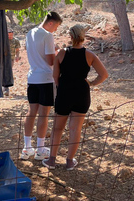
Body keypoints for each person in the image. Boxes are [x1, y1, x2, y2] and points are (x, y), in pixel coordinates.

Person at [42, 24, 108, 170]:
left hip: (65, 93)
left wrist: (61, 87)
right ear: (83, 37)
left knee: (57, 128)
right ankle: (70, 161)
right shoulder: (90, 55)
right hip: (82, 94)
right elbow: (104, 75)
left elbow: (55, 76)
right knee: (75, 129)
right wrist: (90, 83)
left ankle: (52, 160)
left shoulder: (62, 53)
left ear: (71, 37)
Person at [22, 11, 63, 161]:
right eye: (56, 26)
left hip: (32, 77)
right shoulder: (47, 35)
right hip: (45, 78)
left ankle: (27, 147)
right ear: (50, 23)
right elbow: (51, 61)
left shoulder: (30, 32)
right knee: (43, 114)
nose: (56, 30)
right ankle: (40, 149)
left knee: (31, 111)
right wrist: (58, 52)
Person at [3, 28, 21, 96]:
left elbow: (17, 50)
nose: (10, 37)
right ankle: (3, 88)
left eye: (11, 35)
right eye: (8, 35)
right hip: (3, 59)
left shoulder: (15, 41)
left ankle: (6, 88)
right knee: (3, 72)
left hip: (11, 59)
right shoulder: (3, 41)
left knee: (8, 72)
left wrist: (17, 56)